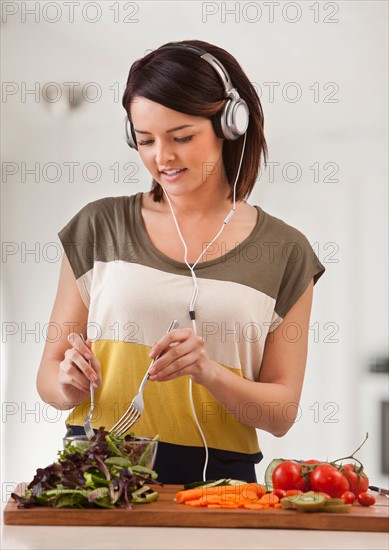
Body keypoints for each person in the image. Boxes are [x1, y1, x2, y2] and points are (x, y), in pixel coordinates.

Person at [37, 39, 325, 484]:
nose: (162, 157)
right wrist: (67, 384)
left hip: (220, 485)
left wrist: (208, 372)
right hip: (96, 476)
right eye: (146, 139)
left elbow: (280, 413)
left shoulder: (286, 251)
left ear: (230, 125)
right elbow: (50, 377)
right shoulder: (98, 226)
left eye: (182, 137)